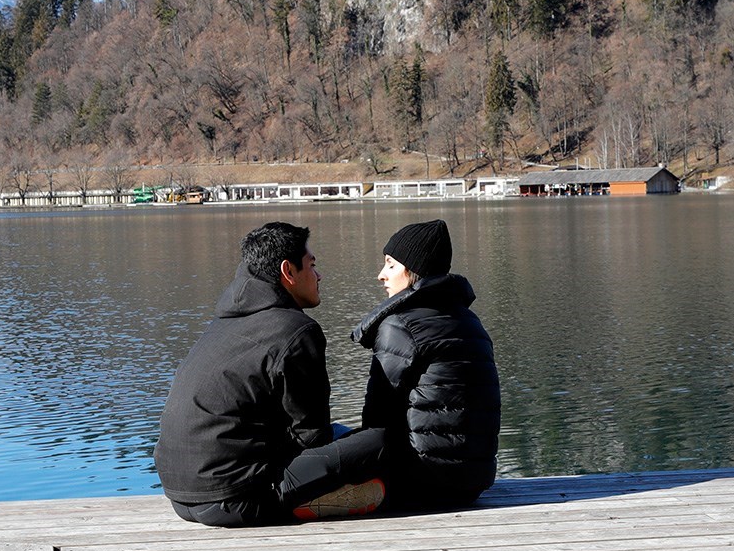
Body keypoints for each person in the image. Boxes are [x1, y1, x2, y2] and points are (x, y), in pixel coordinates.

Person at [155, 222, 386, 527]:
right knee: (381, 440)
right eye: (312, 265)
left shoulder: (225, 323)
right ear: (288, 272)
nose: (319, 276)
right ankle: (315, 502)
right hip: (239, 499)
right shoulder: (295, 329)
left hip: (181, 496)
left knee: (345, 436)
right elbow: (312, 435)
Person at [351, 218, 500, 510]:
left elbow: (376, 417)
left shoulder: (400, 324)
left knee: (332, 441)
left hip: (422, 481)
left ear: (413, 270)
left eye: (391, 264)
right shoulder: (469, 320)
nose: (381, 275)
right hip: (472, 482)